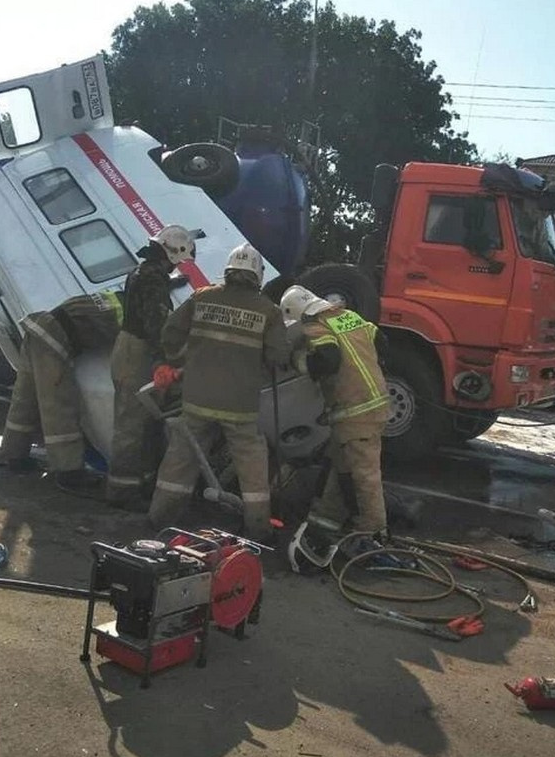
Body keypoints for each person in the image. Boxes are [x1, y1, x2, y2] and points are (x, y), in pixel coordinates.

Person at [148, 244, 289, 541]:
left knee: (181, 457)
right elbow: (279, 357)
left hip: (197, 398)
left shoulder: (202, 297)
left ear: (228, 269)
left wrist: (173, 362)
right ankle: (259, 529)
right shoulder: (269, 311)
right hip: (239, 406)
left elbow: (170, 332)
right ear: (257, 275)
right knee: (252, 466)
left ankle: (160, 518)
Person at [280, 285, 390, 574]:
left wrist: (300, 362)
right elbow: (384, 343)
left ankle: (373, 536)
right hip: (373, 403)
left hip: (355, 410)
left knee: (364, 474)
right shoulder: (349, 316)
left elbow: (328, 359)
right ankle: (326, 520)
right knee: (343, 467)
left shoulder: (316, 326)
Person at [106, 224, 194, 511]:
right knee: (131, 422)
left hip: (128, 346)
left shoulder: (144, 273)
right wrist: (166, 360)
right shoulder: (152, 279)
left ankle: (138, 483)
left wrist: (171, 285)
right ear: (171, 253)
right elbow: (156, 325)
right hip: (137, 351)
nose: (176, 268)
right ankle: (122, 491)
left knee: (141, 421)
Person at [1, 291, 122, 491]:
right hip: (52, 339)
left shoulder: (120, 296)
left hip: (39, 328)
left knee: (24, 400)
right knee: (58, 407)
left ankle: (14, 455)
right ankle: (69, 472)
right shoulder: (138, 313)